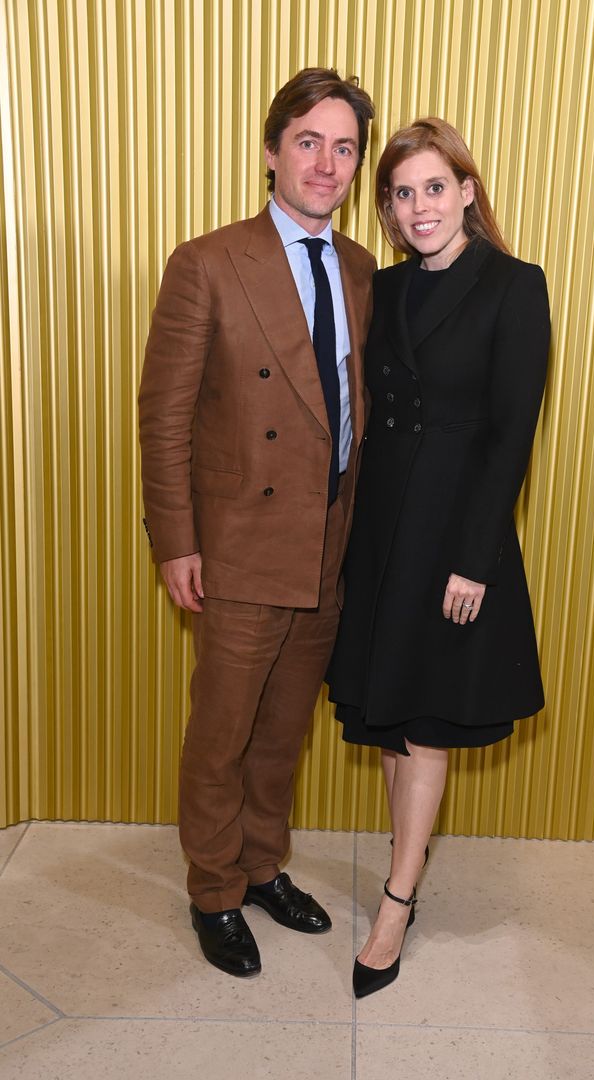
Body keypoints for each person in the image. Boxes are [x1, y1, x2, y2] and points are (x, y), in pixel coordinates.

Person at [138, 68, 375, 978]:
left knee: (283, 734)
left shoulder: (360, 268)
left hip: (327, 544)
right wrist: (177, 541)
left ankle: (263, 866)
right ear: (272, 151)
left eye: (343, 147)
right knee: (223, 734)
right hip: (237, 545)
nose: (326, 163)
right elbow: (164, 415)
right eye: (308, 142)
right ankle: (213, 890)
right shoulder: (207, 262)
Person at [326, 118, 551, 998]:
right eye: (401, 193)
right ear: (388, 208)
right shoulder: (383, 288)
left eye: (433, 187)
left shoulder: (515, 285)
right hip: (383, 528)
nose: (418, 206)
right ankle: (408, 859)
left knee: (423, 723)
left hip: (454, 532)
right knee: (390, 717)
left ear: (466, 191)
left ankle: (396, 901)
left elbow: (511, 436)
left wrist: (474, 561)